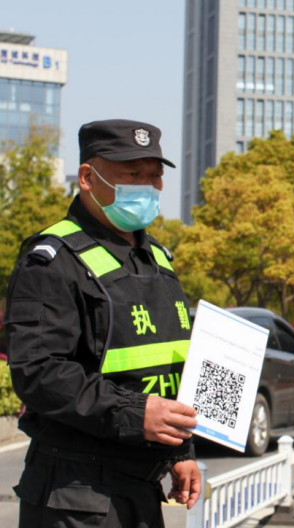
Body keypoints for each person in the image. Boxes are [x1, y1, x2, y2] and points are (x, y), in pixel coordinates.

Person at [4, 119, 201, 528]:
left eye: (154, 176)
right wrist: (136, 413)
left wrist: (180, 452)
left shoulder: (158, 260)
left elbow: (164, 367)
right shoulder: (51, 260)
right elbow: (38, 372)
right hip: (76, 491)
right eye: (132, 174)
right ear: (88, 178)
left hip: (143, 486)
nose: (147, 187)